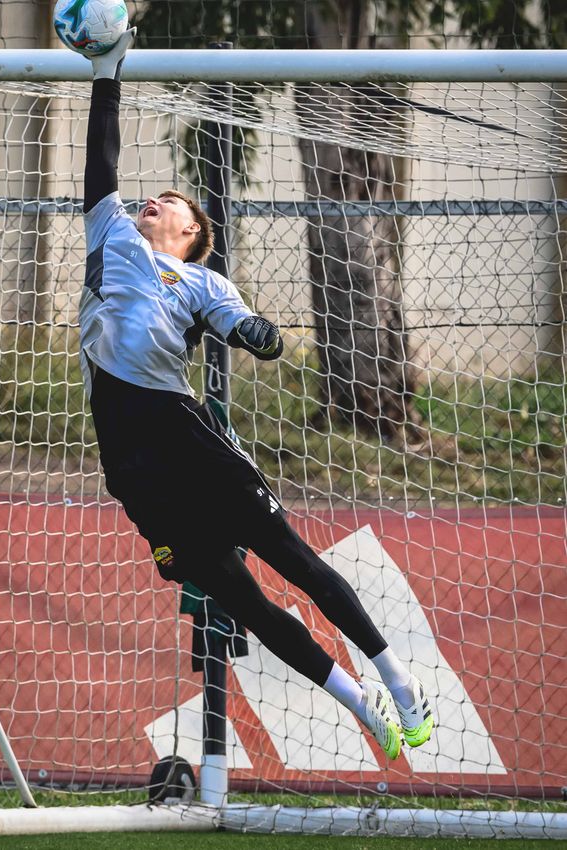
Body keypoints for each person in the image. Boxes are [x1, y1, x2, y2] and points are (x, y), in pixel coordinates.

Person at [79, 31, 434, 761]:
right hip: (132, 465)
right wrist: (106, 73)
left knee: (292, 557)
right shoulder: (109, 233)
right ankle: (358, 701)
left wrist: (257, 334)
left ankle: (398, 681)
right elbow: (101, 159)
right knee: (242, 598)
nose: (155, 200)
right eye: (154, 198)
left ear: (191, 232)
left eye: (171, 202)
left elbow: (233, 322)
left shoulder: (203, 280)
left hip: (186, 439)